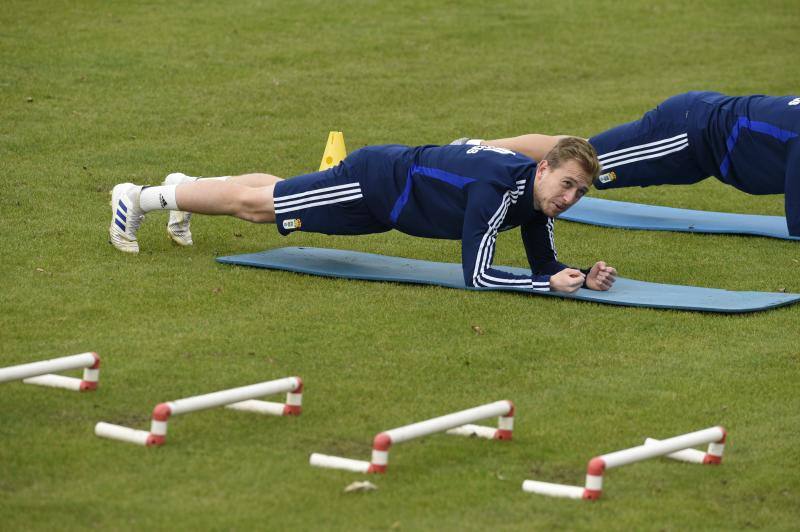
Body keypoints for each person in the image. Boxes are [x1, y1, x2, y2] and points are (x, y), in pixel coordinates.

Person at [108, 137, 617, 293]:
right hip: (376, 183)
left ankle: (186, 188)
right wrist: (543, 288)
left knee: (281, 197)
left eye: (580, 192)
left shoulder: (537, 198)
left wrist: (580, 275)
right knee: (261, 209)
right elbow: (478, 276)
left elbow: (542, 263)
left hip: (390, 203)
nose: (570, 197)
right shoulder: (496, 191)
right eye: (567, 184)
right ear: (544, 167)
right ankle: (141, 197)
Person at [454, 91, 800, 236]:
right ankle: (477, 149)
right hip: (688, 132)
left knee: (583, 152)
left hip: (705, 145)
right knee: (584, 158)